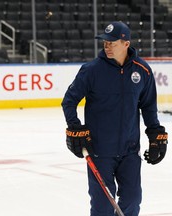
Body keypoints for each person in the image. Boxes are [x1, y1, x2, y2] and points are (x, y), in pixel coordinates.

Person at [62, 21, 168, 216]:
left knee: (132, 201)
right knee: (103, 207)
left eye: (112, 42)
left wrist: (155, 134)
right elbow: (69, 101)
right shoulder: (91, 70)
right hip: (99, 151)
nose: (107, 46)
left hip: (130, 151)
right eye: (105, 42)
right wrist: (75, 126)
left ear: (126, 43)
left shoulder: (142, 71)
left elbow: (148, 107)